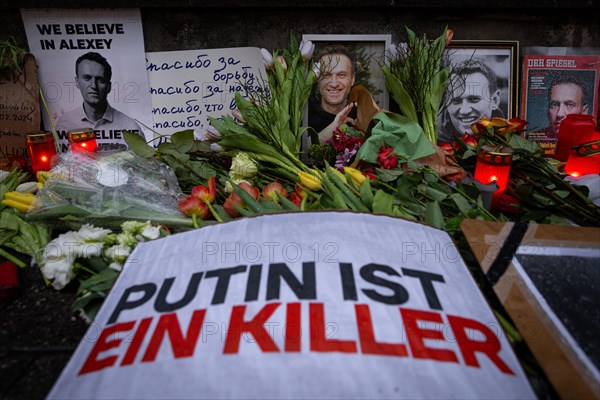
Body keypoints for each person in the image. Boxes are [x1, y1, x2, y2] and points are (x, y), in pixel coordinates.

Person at [56, 52, 144, 141]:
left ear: (108, 87)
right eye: (87, 78)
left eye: (100, 80)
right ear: (77, 82)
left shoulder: (130, 127)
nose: (93, 86)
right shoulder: (64, 124)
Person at [438, 59, 503, 143]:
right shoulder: (430, 142)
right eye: (456, 101)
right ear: (446, 102)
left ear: (494, 100)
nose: (464, 111)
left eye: (474, 99)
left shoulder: (509, 133)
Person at [308, 45, 358, 143]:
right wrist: (332, 129)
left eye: (341, 75)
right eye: (326, 75)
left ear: (352, 79)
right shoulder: (303, 114)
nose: (334, 83)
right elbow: (294, 150)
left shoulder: (360, 117)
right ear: (317, 79)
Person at [544, 74, 589, 140]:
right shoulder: (532, 141)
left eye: (569, 105)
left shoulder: (592, 141)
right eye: (554, 104)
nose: (560, 114)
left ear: (584, 111)